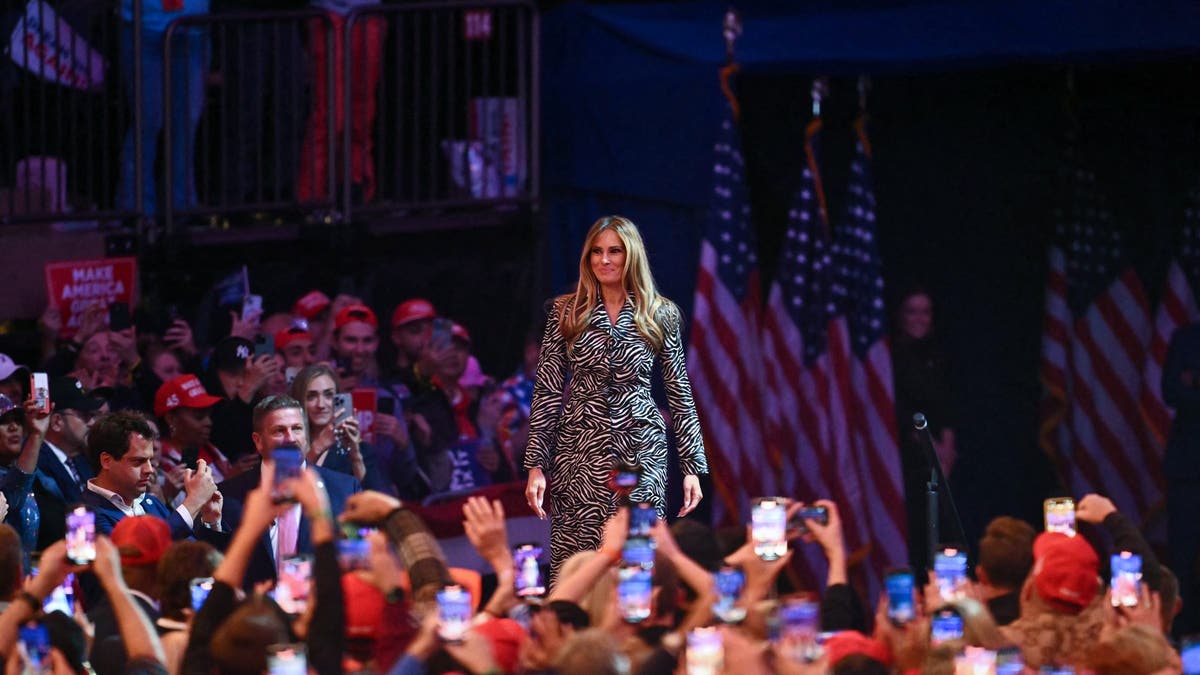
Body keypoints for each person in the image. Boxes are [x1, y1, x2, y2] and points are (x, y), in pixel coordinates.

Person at [524, 216, 708, 577]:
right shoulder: (566, 312)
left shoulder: (659, 313)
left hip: (641, 449)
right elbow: (546, 390)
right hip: (578, 449)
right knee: (578, 563)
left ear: (631, 256)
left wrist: (692, 467)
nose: (604, 260)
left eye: (614, 251)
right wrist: (535, 465)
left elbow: (679, 392)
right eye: (596, 251)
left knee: (637, 558)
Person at [216, 395, 360, 586]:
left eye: (297, 429)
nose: (290, 438)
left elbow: (357, 565)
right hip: (255, 610)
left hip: (320, 609)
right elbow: (219, 562)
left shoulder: (344, 489)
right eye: (279, 431)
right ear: (258, 441)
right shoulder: (228, 494)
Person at [891, 286, 956, 574]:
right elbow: (901, 410)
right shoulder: (892, 356)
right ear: (902, 316)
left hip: (943, 456)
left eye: (925, 312)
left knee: (944, 531)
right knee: (916, 531)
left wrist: (948, 451)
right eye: (912, 311)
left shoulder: (940, 355)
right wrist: (932, 447)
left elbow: (950, 405)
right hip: (908, 456)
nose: (919, 318)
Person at [81, 410, 224, 540]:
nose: (149, 469)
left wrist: (211, 520)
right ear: (107, 461)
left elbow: (192, 553)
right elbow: (138, 552)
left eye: (150, 459)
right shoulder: (87, 516)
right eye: (138, 461)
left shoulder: (150, 502)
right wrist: (194, 501)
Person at [289, 364, 390, 493]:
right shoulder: (288, 446)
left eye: (329, 395)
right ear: (299, 400)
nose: (321, 404)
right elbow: (288, 491)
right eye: (311, 396)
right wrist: (318, 447)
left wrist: (356, 457)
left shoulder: (361, 450)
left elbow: (372, 499)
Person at [1161, 320, 1200, 636]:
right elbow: (1171, 390)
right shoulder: (1187, 337)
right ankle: (1180, 634)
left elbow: (1188, 389)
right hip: (1189, 468)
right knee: (1182, 560)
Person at [34, 377, 104, 550]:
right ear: (57, 421)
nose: (92, 422)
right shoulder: (36, 462)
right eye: (84, 415)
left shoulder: (81, 460)